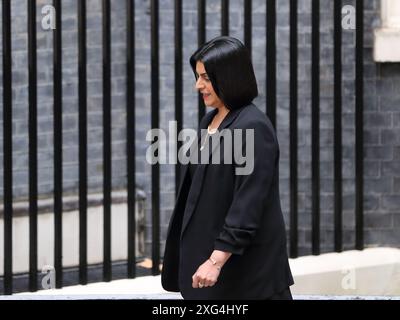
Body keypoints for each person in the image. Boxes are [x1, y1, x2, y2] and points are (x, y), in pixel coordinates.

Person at [161, 36, 294, 300]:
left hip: (247, 280)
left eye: (206, 78)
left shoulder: (253, 127)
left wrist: (216, 260)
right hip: (211, 275)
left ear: (230, 78)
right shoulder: (210, 120)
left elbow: (249, 202)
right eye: (198, 77)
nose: (198, 85)